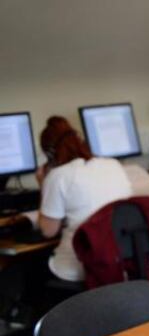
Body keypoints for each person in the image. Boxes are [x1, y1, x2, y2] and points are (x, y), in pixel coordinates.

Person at [36, 116, 132, 282]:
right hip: (119, 261)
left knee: (27, 268)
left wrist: (43, 186)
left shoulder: (57, 176)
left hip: (80, 267)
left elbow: (48, 231)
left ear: (50, 154)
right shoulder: (113, 164)